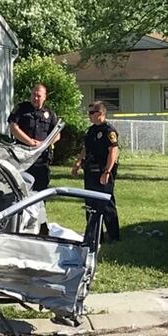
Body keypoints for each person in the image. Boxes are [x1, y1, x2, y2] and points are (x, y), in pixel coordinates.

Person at [71, 101, 120, 241]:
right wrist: (78, 163)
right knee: (90, 204)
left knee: (105, 203)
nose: (89, 116)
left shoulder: (109, 131)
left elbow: (113, 151)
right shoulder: (91, 130)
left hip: (103, 171)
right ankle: (95, 235)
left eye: (92, 113)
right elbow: (86, 149)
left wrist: (107, 172)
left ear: (100, 113)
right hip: (90, 171)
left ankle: (114, 235)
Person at [7, 83, 60, 191]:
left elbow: (57, 134)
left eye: (39, 96)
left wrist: (44, 144)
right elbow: (13, 127)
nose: (35, 98)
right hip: (23, 157)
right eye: (33, 95)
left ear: (45, 97)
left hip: (42, 159)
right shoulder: (21, 109)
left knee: (41, 189)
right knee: (22, 189)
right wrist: (30, 142)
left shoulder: (50, 113)